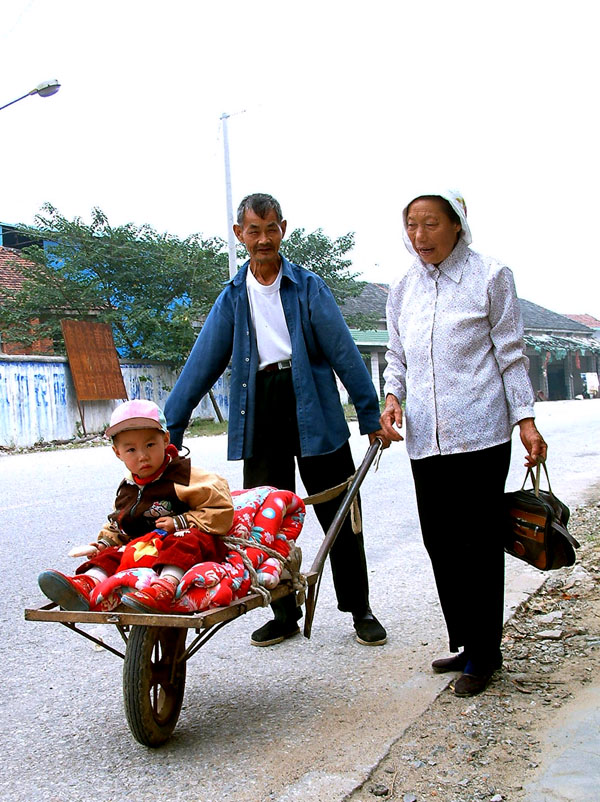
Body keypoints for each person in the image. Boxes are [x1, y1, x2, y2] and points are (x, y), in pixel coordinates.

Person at [165, 192, 389, 647]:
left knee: (340, 511)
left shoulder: (309, 287)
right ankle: (283, 612)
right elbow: (203, 361)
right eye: (253, 231)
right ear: (239, 235)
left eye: (271, 229)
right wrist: (173, 424)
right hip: (260, 406)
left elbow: (344, 352)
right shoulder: (232, 297)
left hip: (315, 404)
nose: (263, 239)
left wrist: (369, 413)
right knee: (266, 519)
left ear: (282, 230)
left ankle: (359, 608)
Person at [380, 189, 547, 697]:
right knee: (440, 542)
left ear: (458, 224)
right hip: (425, 439)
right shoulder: (403, 287)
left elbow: (511, 354)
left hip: (480, 433)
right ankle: (467, 640)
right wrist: (392, 397)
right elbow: (397, 354)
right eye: (411, 224)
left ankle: (485, 653)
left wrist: (526, 420)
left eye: (431, 223)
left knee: (476, 542)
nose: (419, 235)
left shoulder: (491, 276)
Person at [38, 399, 234, 613]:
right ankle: (86, 585)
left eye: (150, 445)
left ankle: (165, 586)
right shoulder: (128, 488)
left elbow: (221, 510)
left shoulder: (186, 477)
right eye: (131, 449)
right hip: (147, 549)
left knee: (184, 539)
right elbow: (120, 525)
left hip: (189, 548)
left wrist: (181, 522)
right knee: (114, 553)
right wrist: (103, 544)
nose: (143, 456)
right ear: (117, 453)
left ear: (166, 439)